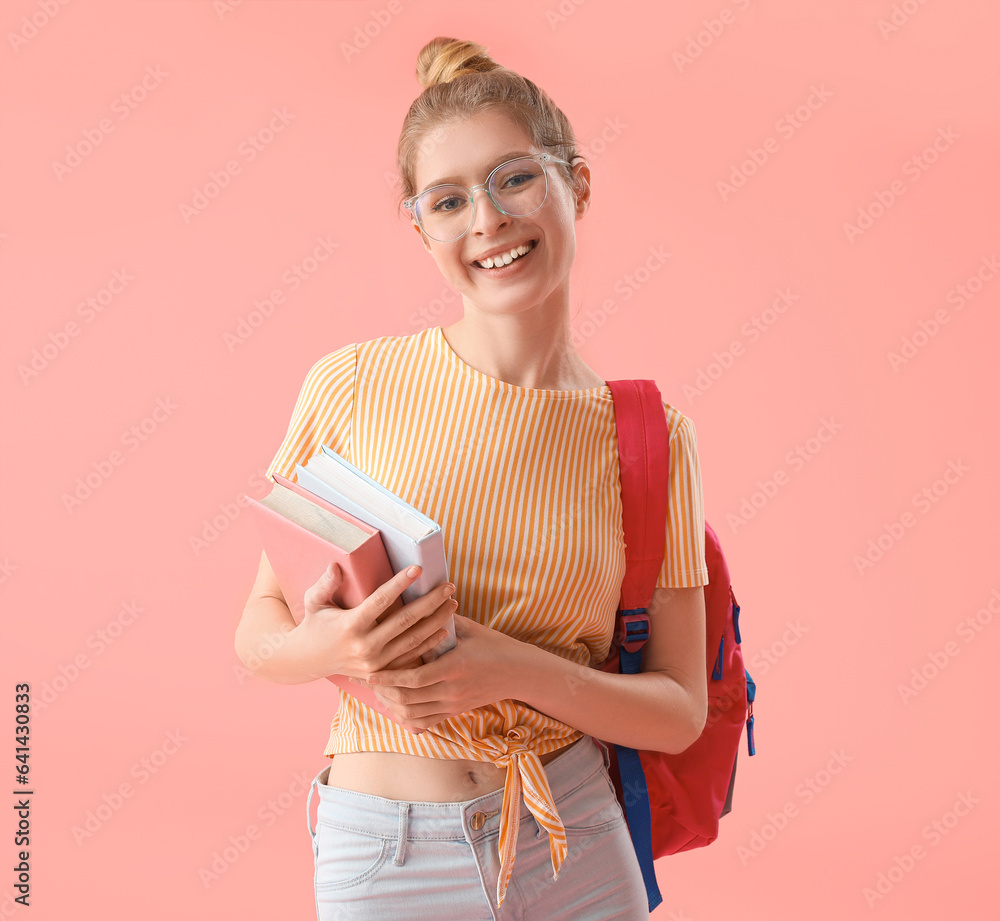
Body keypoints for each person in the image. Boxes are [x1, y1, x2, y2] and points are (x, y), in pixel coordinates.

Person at [235, 36, 709, 921]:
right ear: (421, 229)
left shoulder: (650, 437)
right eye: (448, 200)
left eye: (514, 178)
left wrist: (511, 668)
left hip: (576, 836)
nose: (487, 220)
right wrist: (343, 649)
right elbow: (258, 633)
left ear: (579, 185)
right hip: (387, 849)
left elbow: (680, 708)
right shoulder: (353, 385)